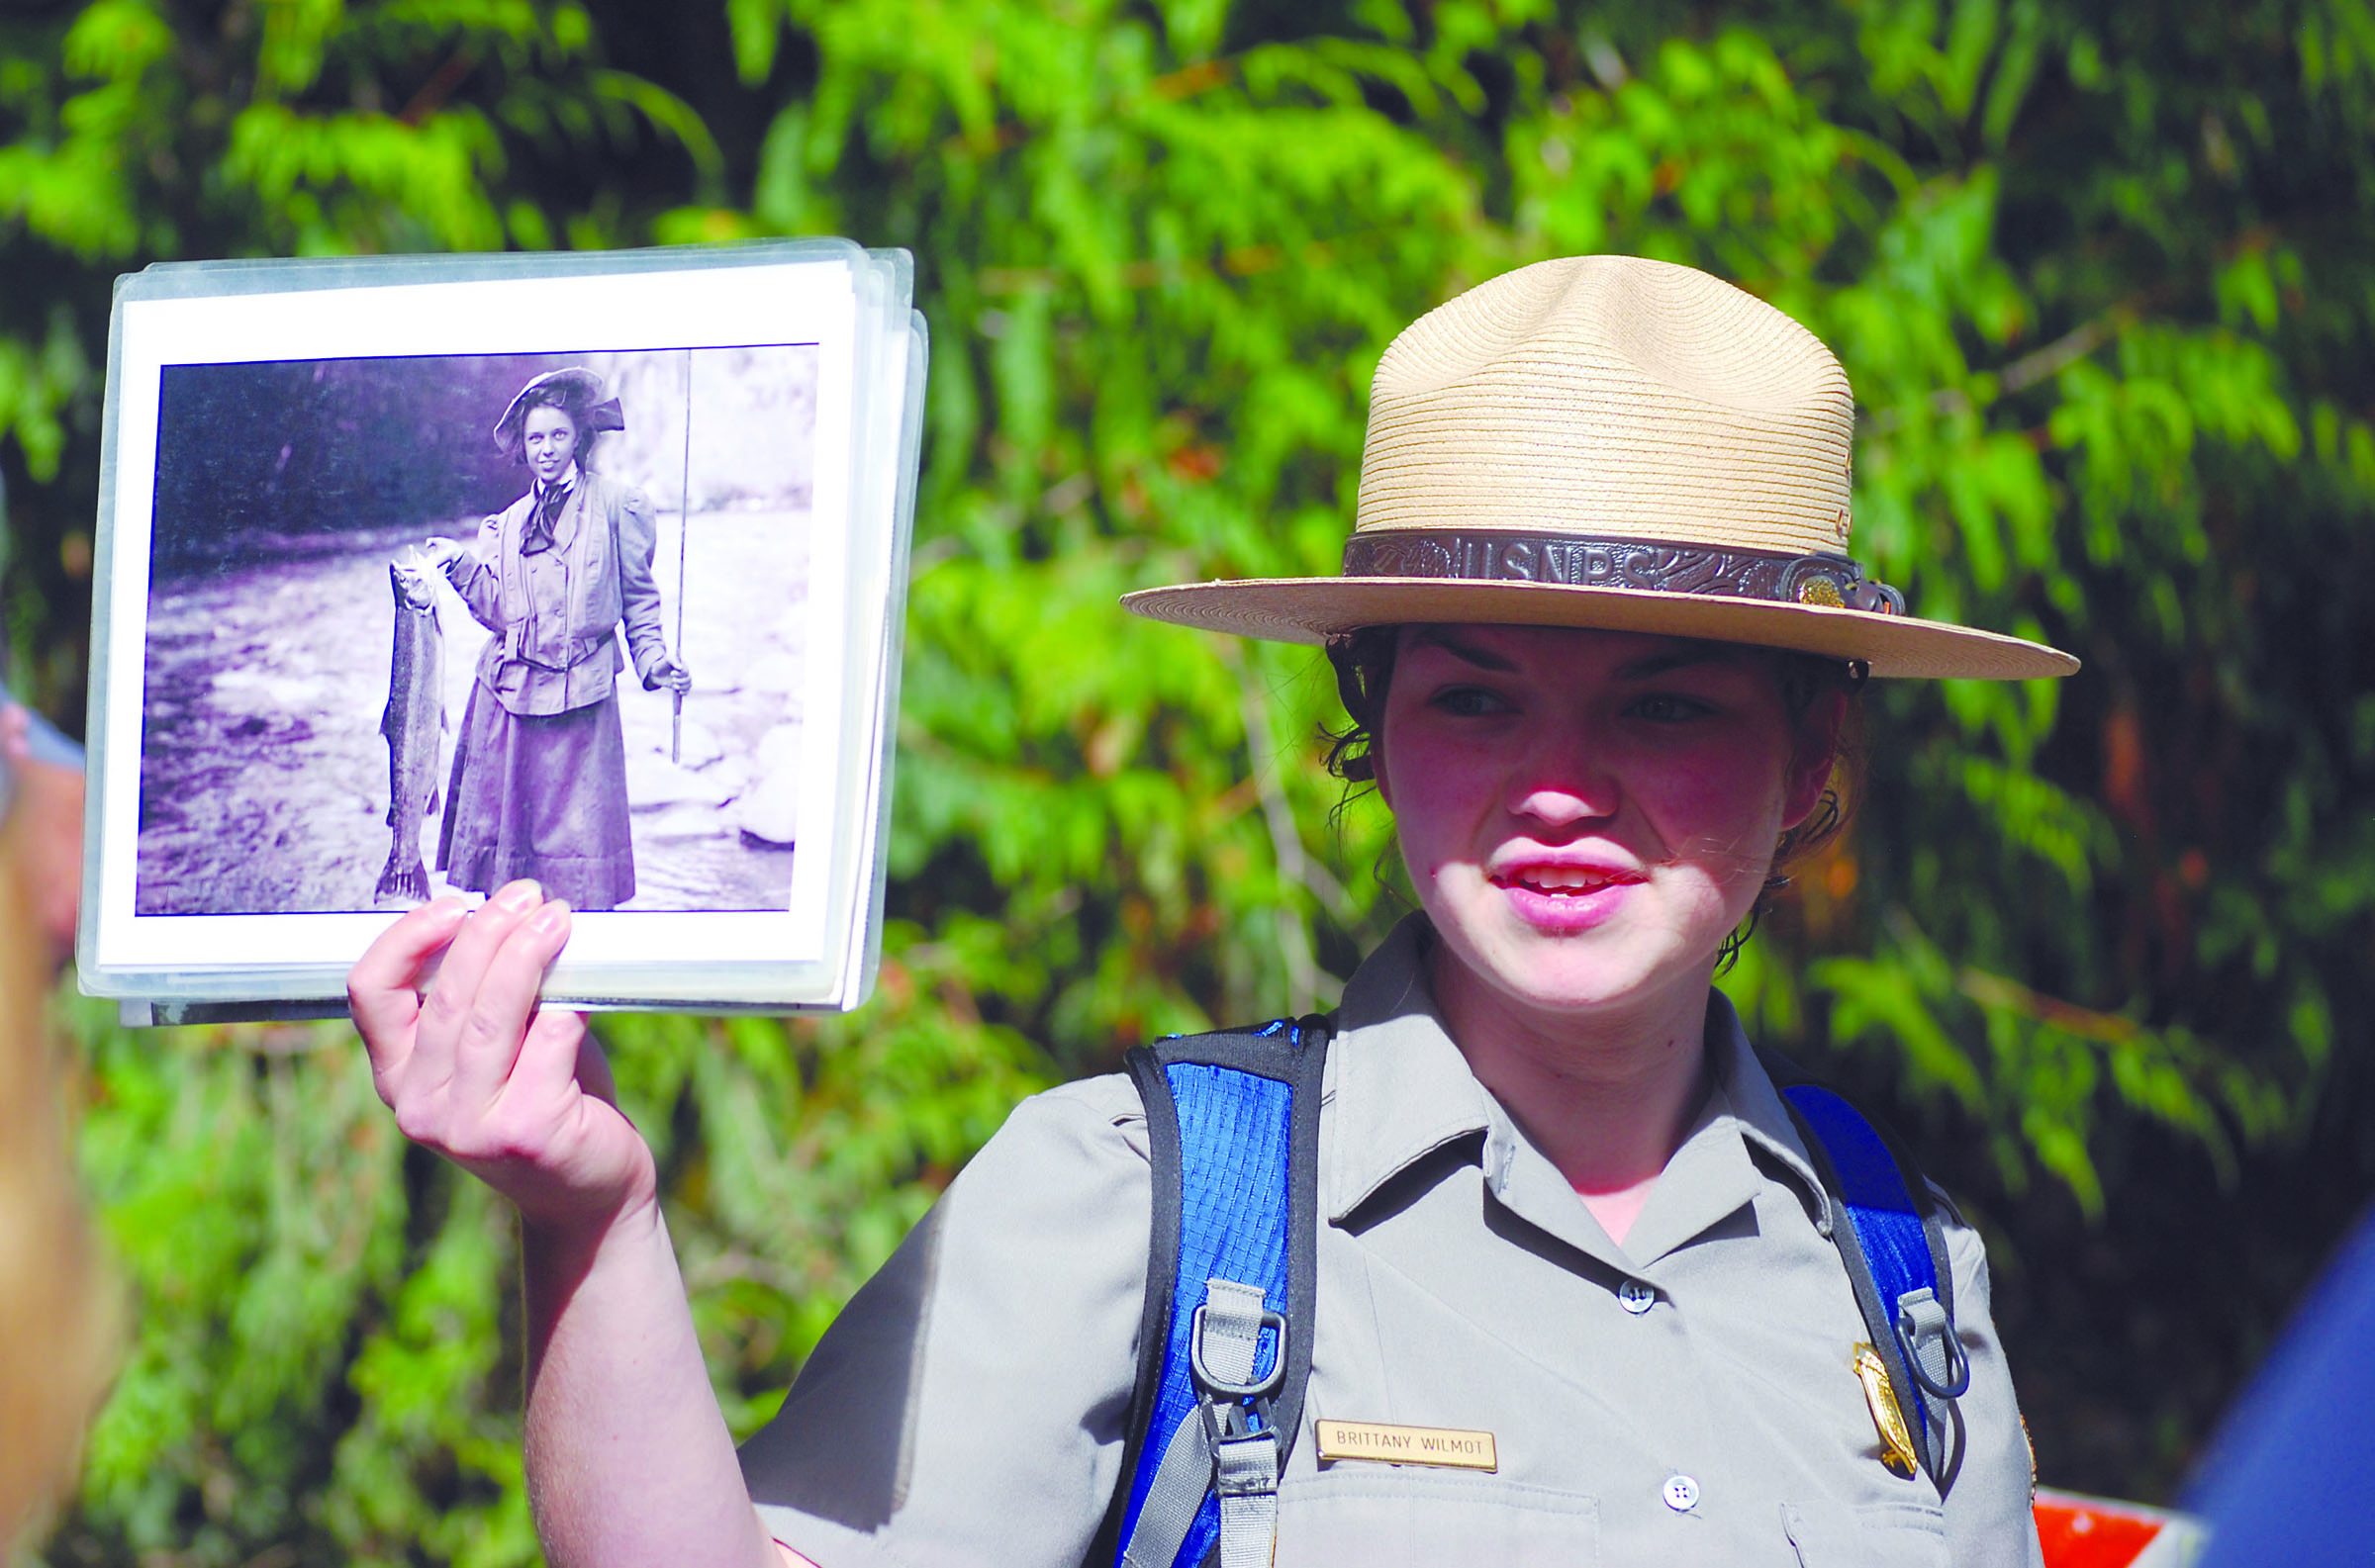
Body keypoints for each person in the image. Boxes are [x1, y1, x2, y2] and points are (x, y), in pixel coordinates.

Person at [350, 256, 2072, 1565]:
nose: (1560, 785)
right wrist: (593, 1222)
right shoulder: (1143, 1200)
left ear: (1810, 756)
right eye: (1476, 698)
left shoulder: (1904, 1279)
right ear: (1372, 732)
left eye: (1666, 704)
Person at [423, 367, 692, 912]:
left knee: (581, 862)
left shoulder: (619, 507)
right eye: (535, 439)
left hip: (583, 701)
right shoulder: (504, 525)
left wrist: (655, 660)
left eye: (558, 435)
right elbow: (500, 612)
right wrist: (459, 565)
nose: (546, 449)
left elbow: (639, 600)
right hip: (507, 703)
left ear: (579, 440)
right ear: (523, 447)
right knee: (510, 868)